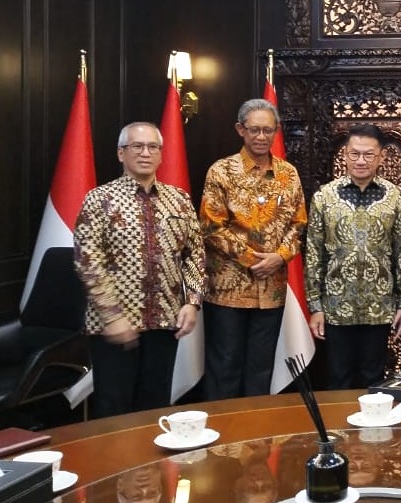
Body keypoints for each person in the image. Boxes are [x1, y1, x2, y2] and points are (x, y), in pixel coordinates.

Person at [73, 122, 205, 418]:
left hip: (165, 320)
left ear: (161, 154)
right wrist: (113, 316)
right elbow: (87, 260)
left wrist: (192, 303)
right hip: (116, 326)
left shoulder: (180, 199)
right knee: (114, 411)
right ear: (122, 153)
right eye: (137, 146)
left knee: (155, 409)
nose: (146, 153)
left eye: (153, 147)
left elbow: (195, 253)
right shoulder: (99, 199)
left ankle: (151, 467)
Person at [200, 98, 307, 399]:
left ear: (276, 132)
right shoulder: (221, 171)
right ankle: (224, 441)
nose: (261, 137)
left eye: (268, 130)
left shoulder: (289, 174)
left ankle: (256, 439)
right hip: (228, 290)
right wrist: (253, 260)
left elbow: (298, 224)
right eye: (255, 130)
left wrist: (279, 257)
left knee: (261, 369)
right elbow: (211, 227)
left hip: (271, 289)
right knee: (225, 367)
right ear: (240, 130)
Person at [305, 123, 401, 389]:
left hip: (379, 307)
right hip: (335, 307)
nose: (361, 160)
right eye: (355, 154)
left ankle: (373, 431)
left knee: (373, 379)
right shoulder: (324, 197)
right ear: (344, 154)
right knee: (337, 378)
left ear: (381, 157)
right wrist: (315, 306)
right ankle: (338, 431)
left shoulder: (394, 197)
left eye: (368, 154)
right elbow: (313, 253)